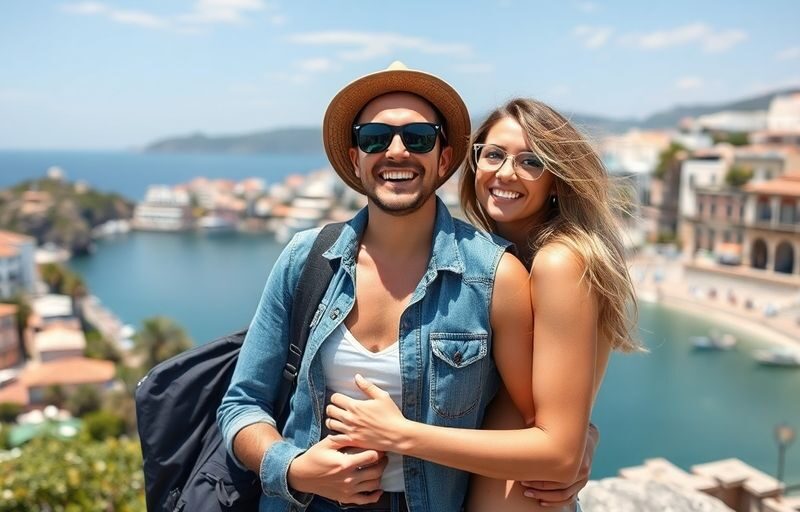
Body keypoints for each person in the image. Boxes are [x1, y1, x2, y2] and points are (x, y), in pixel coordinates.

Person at [217, 63, 595, 512]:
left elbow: (542, 424)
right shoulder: (305, 259)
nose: (396, 151)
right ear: (356, 157)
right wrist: (296, 469)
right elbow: (242, 404)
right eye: (375, 138)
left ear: (445, 157)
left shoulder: (496, 276)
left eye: (418, 138)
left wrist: (580, 442)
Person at [324, 98, 641, 511]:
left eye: (531, 162)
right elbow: (554, 407)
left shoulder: (558, 262)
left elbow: (558, 451)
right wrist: (587, 432)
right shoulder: (503, 261)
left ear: (558, 181)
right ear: (475, 163)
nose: (506, 173)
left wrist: (399, 433)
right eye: (493, 155)